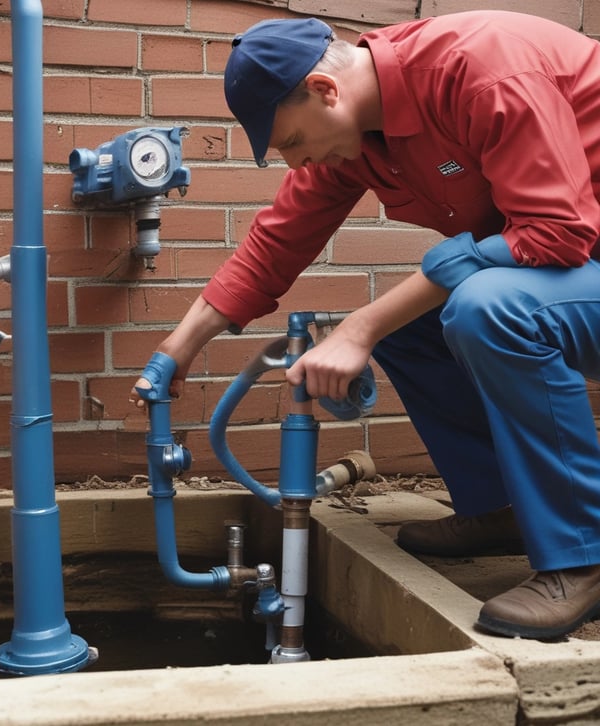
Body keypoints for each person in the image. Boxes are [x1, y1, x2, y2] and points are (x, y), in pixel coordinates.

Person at [131, 10, 600, 640]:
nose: (296, 163)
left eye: (292, 144)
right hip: (572, 271)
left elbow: (557, 232)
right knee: (416, 318)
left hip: (574, 250)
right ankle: (502, 509)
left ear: (325, 91)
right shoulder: (358, 136)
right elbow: (275, 245)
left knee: (486, 307)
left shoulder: (484, 71)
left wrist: (362, 327)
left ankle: (583, 554)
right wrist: (177, 349)